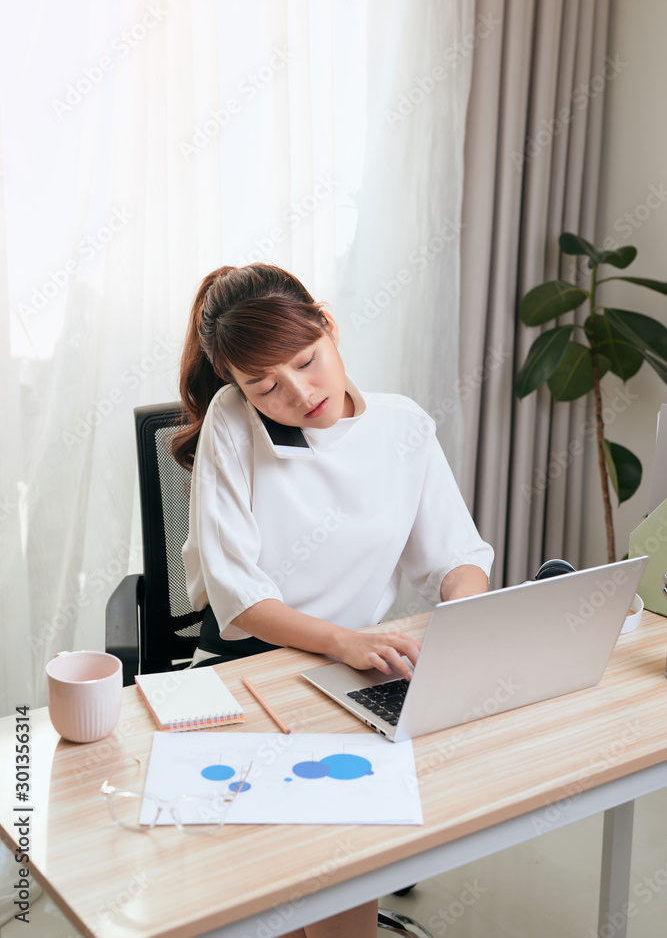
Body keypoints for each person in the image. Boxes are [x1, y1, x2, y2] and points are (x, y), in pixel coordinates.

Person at [173, 263, 493, 938]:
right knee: (308, 860)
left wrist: (463, 616)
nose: (296, 392)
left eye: (306, 361)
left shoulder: (402, 423)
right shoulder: (233, 424)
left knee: (356, 847)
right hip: (249, 665)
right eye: (265, 384)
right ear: (236, 386)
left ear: (328, 327)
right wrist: (343, 641)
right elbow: (238, 594)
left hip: (357, 668)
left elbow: (456, 558)